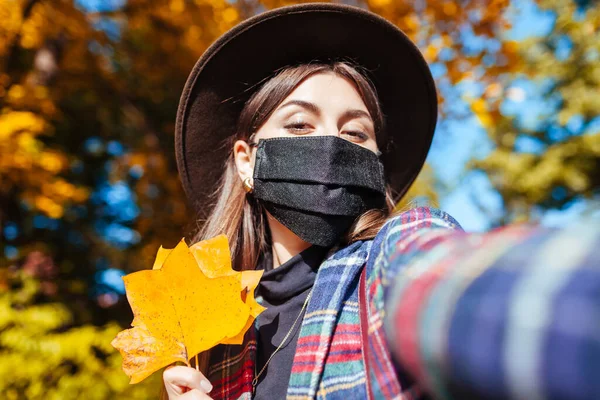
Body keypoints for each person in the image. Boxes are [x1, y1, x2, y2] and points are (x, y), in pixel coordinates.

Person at [162, 3, 600, 400]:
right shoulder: (210, 344)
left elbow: (467, 286)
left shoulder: (388, 263)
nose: (331, 146)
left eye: (355, 134)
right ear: (246, 161)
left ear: (372, 167)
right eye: (299, 125)